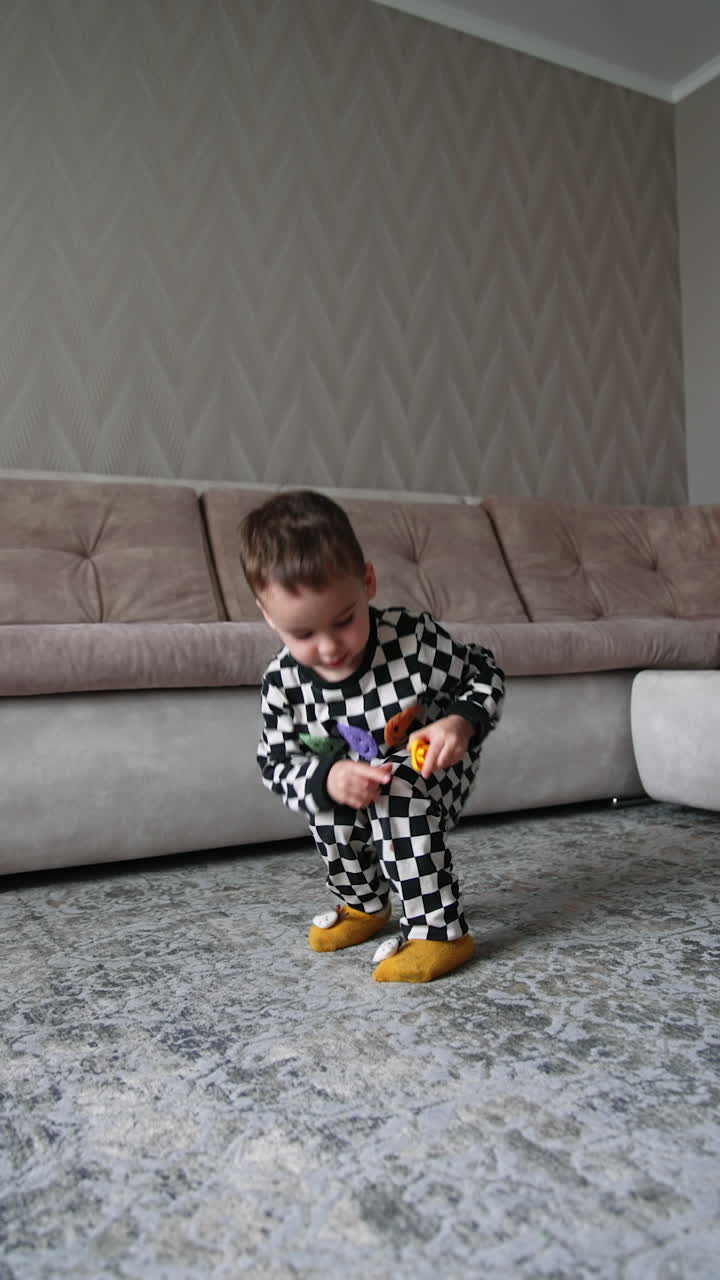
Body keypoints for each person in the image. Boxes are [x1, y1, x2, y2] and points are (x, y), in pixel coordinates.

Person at [238, 489, 505, 983]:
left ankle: (439, 929)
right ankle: (362, 903)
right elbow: (275, 761)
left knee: (395, 793)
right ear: (268, 616)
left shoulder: (413, 641)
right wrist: (328, 777)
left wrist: (461, 721)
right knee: (329, 802)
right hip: (354, 777)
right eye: (302, 634)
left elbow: (483, 674)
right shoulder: (284, 684)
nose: (329, 647)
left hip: (433, 770)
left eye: (344, 620)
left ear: (368, 581)